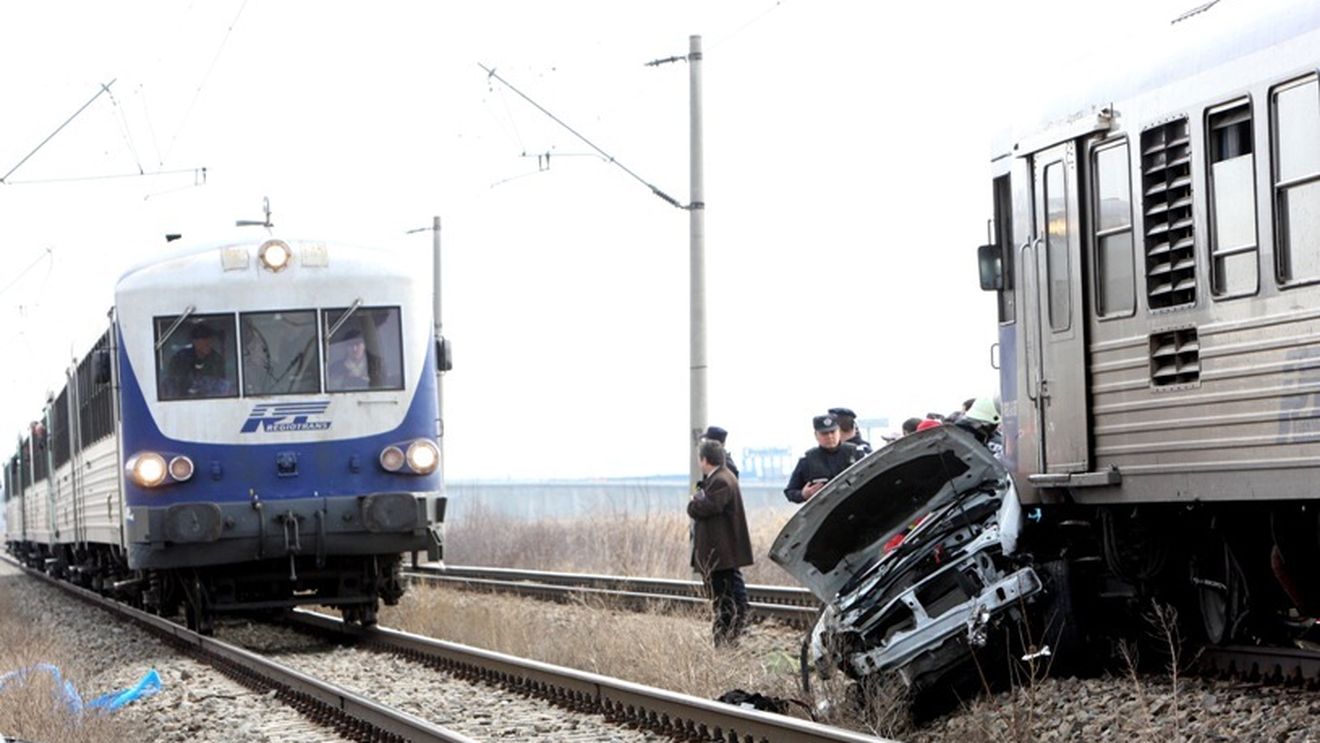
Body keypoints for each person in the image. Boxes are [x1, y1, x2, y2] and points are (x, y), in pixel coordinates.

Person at [687, 439, 754, 646]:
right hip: (722, 553)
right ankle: (730, 636)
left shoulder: (721, 480)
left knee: (724, 599)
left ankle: (725, 640)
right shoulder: (721, 477)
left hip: (720, 553)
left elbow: (707, 507)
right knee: (730, 595)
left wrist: (692, 503)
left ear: (704, 460)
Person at [783, 414, 863, 504]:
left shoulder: (856, 454)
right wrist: (803, 495)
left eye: (833, 432)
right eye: (824, 433)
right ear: (816, 435)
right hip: (826, 510)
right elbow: (790, 492)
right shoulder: (807, 461)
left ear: (839, 432)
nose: (829, 436)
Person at [166, 323, 230, 397]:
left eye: (210, 338)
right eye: (203, 338)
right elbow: (173, 382)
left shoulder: (217, 359)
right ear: (194, 341)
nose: (208, 342)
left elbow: (220, 383)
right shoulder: (180, 358)